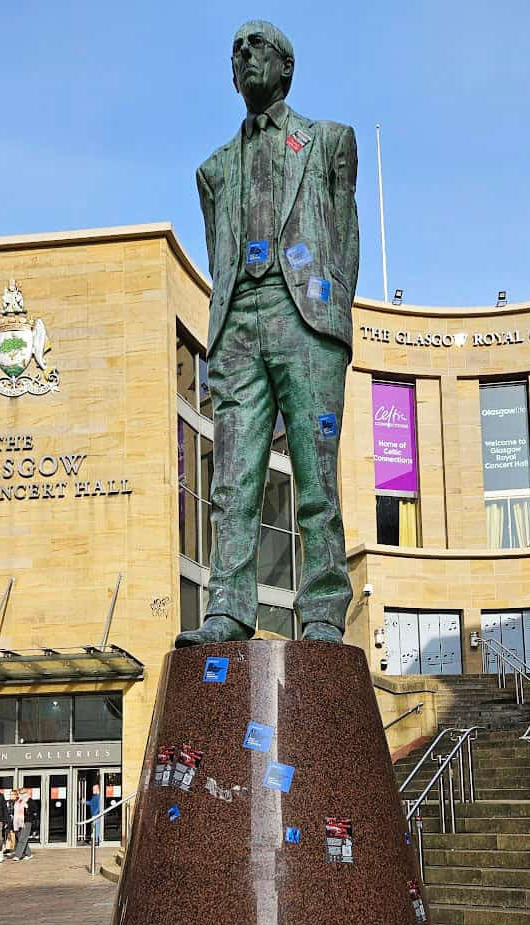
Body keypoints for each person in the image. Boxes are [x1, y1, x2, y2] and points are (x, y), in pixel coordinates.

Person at [176, 20, 358, 648]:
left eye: (258, 46)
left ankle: (325, 613)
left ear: (286, 67)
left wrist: (333, 322)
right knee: (233, 478)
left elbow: (345, 241)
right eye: (235, 49)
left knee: (316, 472)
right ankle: (227, 608)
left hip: (305, 318)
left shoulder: (329, 142)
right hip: (238, 326)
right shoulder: (214, 170)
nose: (244, 55)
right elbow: (219, 255)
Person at [13, 788, 33, 862]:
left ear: (25, 793)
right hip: (18, 822)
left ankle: (18, 855)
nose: (20, 795)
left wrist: (27, 807)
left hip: (26, 822)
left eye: (21, 793)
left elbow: (34, 810)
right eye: (19, 793)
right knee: (21, 838)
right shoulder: (18, 802)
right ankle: (29, 854)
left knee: (22, 839)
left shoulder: (29, 801)